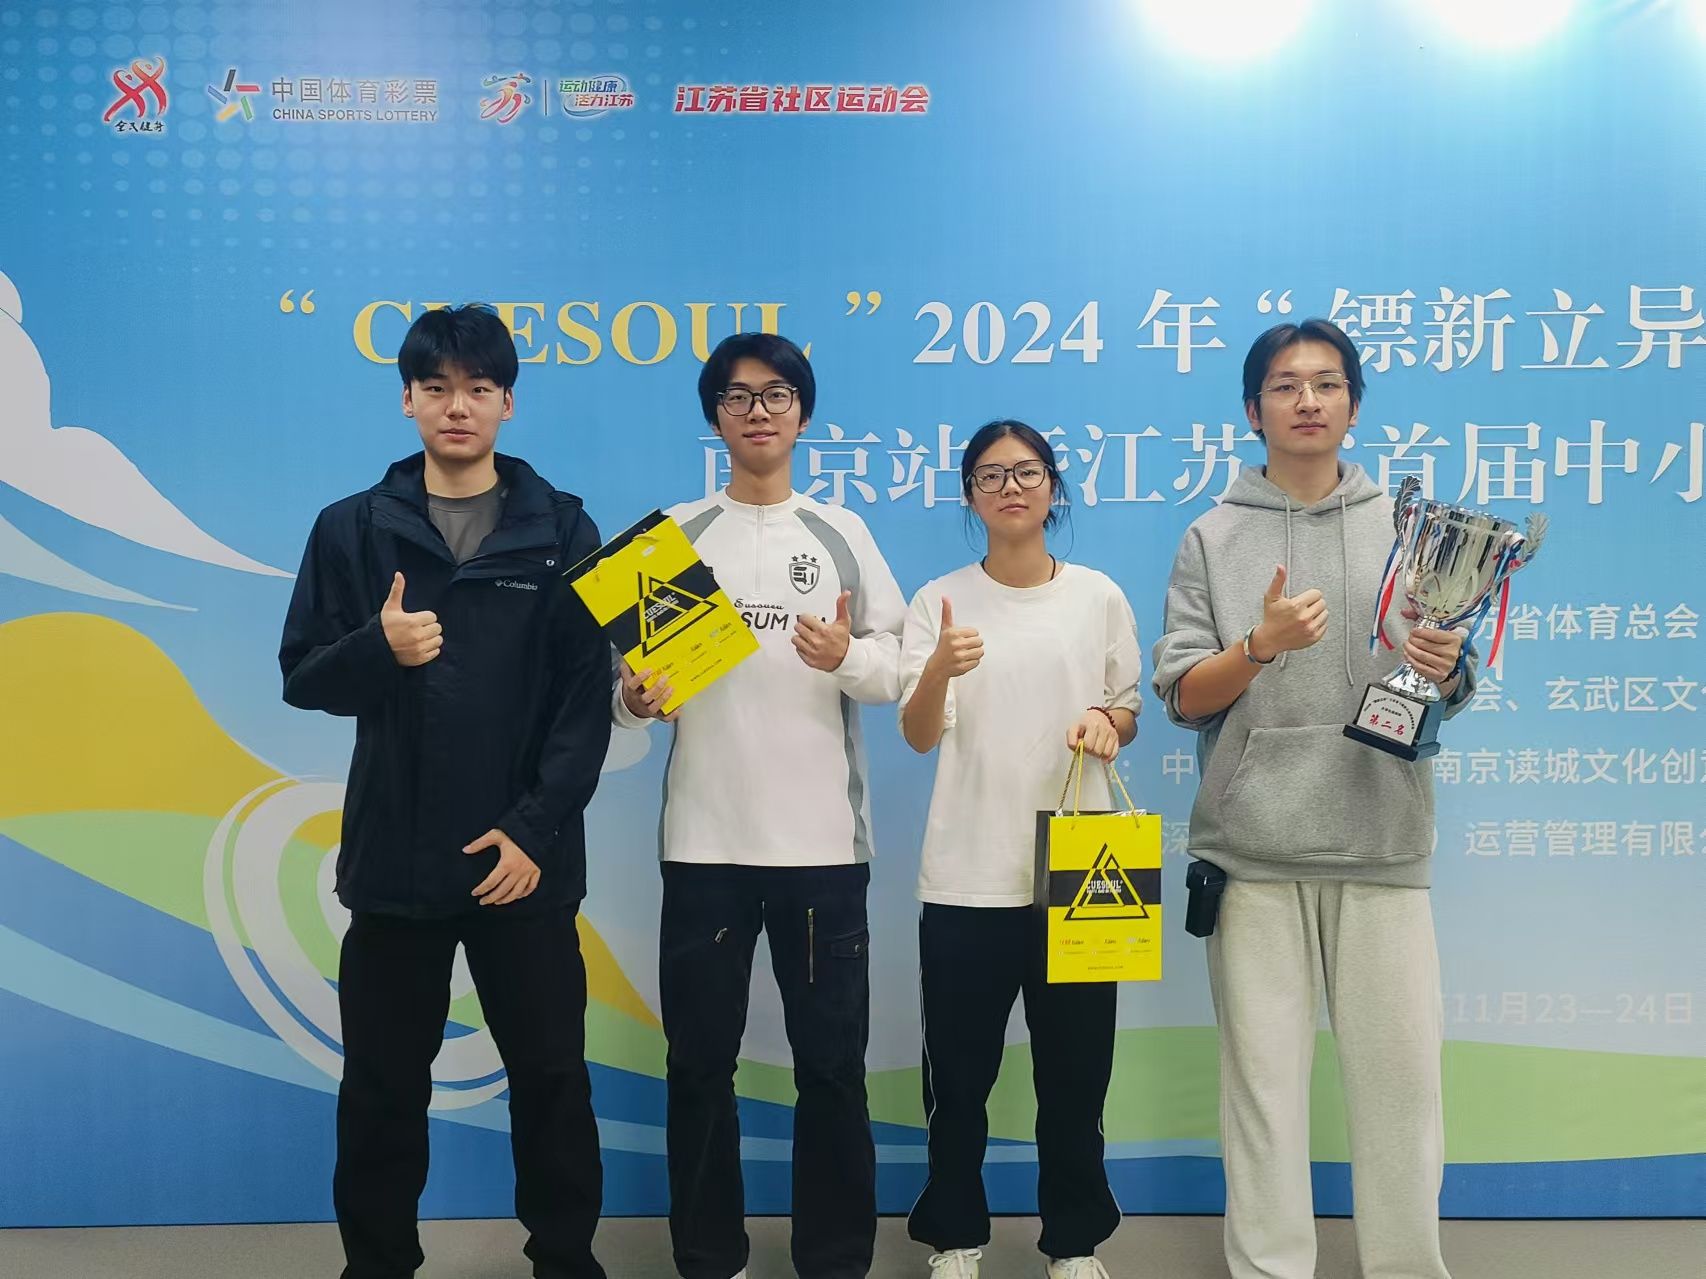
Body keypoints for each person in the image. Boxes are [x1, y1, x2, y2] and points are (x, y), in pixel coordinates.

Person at [279, 303, 613, 1279]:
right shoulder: (350, 527)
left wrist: (534, 830)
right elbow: (303, 675)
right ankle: (377, 1264)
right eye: (436, 387)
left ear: (508, 402)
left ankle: (566, 1260)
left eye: (477, 388)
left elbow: (584, 702)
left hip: (525, 868)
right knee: (382, 1091)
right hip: (397, 864)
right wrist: (374, 649)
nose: (456, 406)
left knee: (552, 1080)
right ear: (408, 401)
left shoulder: (564, 529)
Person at [1151, 319, 1476, 1279]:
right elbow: (1182, 694)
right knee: (1262, 1092)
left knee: (1403, 1091)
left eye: (1327, 383)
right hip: (1253, 853)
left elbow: (1453, 686)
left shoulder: (1410, 531)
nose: (1307, 400)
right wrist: (1259, 646)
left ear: (1353, 404)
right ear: (1253, 411)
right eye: (1286, 385)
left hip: (1384, 841)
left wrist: (1445, 663)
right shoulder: (1211, 536)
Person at [616, 332, 905, 1279]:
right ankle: (710, 1256)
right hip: (705, 845)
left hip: (823, 847)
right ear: (716, 416)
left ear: (803, 413)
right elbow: (630, 690)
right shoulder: (675, 535)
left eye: (776, 395)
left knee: (832, 1066)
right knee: (699, 1063)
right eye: (738, 397)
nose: (758, 412)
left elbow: (897, 668)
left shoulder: (841, 532)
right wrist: (635, 699)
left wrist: (847, 657)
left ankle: (835, 1258)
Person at [898, 419, 1142, 1279]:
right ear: (969, 494)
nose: (1011, 487)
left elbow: (1126, 708)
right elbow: (918, 734)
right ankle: (955, 1236)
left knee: (1076, 1078)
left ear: (1053, 488)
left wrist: (1106, 721)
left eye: (1027, 472)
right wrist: (938, 668)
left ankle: (1074, 1242)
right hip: (965, 875)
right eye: (991, 474)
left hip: (1080, 873)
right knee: (957, 1083)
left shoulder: (1097, 596)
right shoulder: (939, 601)